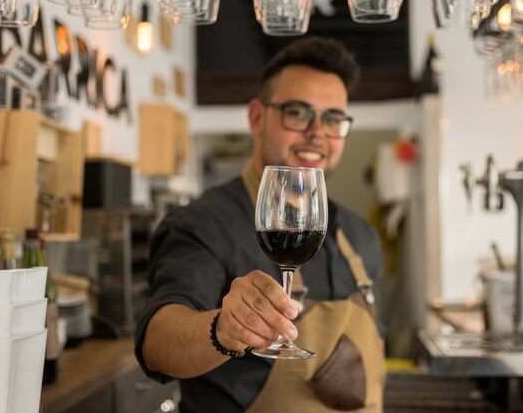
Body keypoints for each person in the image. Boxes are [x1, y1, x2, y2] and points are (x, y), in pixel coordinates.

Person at [135, 37, 386, 413]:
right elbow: (157, 344)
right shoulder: (202, 223)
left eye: (333, 119)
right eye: (298, 113)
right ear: (256, 117)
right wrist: (223, 330)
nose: (318, 133)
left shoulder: (361, 234)